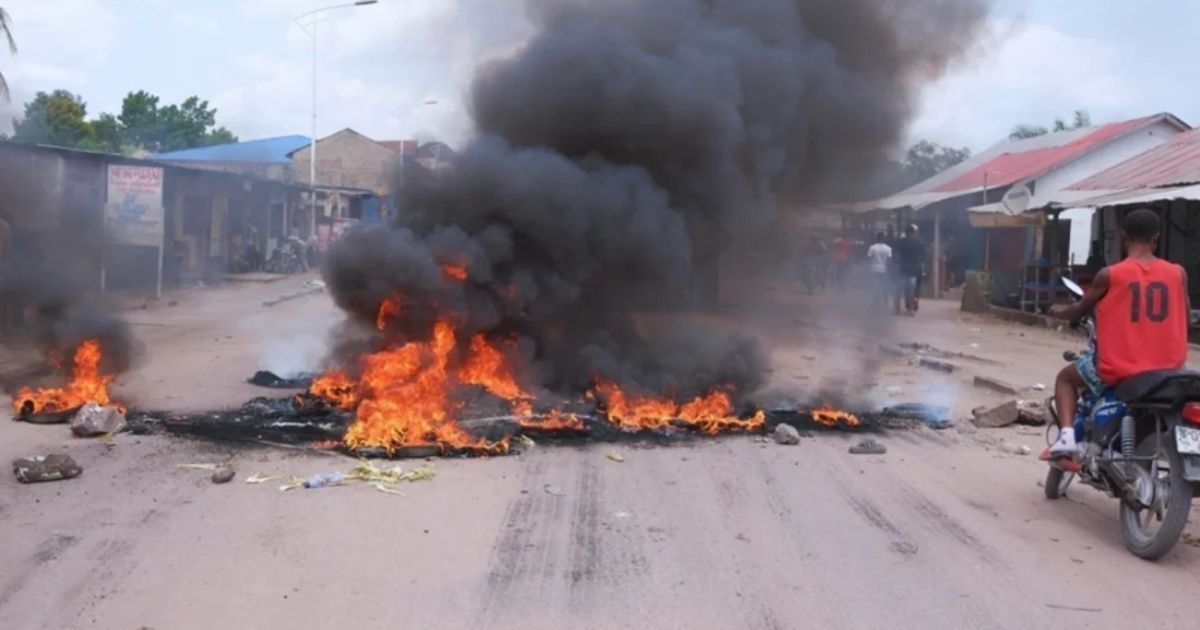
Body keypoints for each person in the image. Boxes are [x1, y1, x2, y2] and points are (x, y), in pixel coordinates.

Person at [1047, 209, 1189, 456]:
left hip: (1123, 367)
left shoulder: (1110, 275)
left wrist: (1060, 311)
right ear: (1156, 238)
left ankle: (1067, 438)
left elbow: (1080, 309)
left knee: (1065, 379)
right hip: (1170, 368)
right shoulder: (1178, 273)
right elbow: (1185, 315)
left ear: (1123, 236)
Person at [892, 225, 926, 314]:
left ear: (906, 232)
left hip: (901, 269)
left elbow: (895, 255)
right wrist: (922, 269)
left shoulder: (900, 242)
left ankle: (896, 309)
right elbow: (923, 257)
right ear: (914, 232)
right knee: (912, 290)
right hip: (914, 270)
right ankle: (910, 309)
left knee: (898, 289)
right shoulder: (920, 242)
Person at [866, 232, 893, 308]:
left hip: (874, 269)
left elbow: (869, 258)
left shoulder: (872, 247)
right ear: (884, 238)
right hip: (884, 269)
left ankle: (876, 302)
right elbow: (889, 261)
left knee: (875, 286)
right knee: (884, 286)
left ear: (876, 238)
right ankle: (885, 302)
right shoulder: (888, 248)